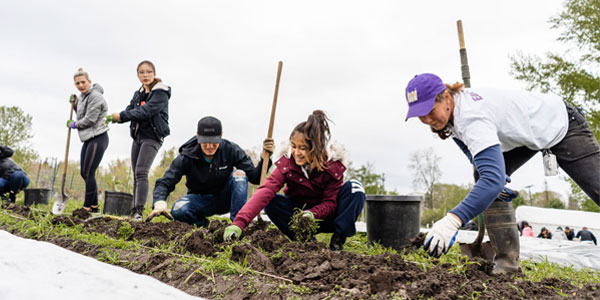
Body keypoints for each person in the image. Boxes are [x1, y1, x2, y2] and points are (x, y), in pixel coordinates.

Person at [403, 73, 600, 274]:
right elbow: (472, 153)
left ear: (445, 97)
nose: (427, 120)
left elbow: (491, 178)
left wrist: (452, 220)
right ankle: (507, 266)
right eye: (420, 115)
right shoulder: (450, 116)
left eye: (429, 111)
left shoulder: (472, 118)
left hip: (560, 124)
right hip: (525, 136)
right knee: (485, 177)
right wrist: (495, 180)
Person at [223, 110, 366, 251]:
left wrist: (312, 214)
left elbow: (330, 203)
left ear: (315, 148)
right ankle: (306, 241)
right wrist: (239, 222)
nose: (296, 153)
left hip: (326, 216)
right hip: (298, 218)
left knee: (355, 188)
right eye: (294, 146)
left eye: (302, 148)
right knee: (271, 202)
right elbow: (265, 190)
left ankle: (338, 241)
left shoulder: (333, 167)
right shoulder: (287, 165)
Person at [146, 116, 273, 226]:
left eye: (214, 142)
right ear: (197, 136)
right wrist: (160, 202)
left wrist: (264, 159)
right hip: (199, 201)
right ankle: (204, 225)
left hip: (225, 198)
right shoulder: (187, 156)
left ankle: (238, 224)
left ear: (221, 136)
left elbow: (255, 178)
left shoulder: (231, 150)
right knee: (179, 210)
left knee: (239, 175)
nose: (209, 146)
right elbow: (165, 182)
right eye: (205, 142)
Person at [107, 60, 170, 220]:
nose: (145, 75)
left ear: (154, 73)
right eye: (141, 72)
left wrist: (122, 116)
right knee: (136, 173)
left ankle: (138, 211)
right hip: (138, 136)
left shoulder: (161, 93)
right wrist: (117, 117)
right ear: (138, 75)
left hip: (153, 136)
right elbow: (131, 109)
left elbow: (146, 111)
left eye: (149, 72)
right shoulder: (138, 93)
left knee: (142, 171)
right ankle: (135, 209)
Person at [66, 68, 109, 212]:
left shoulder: (96, 96)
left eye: (83, 82)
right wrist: (76, 104)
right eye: (77, 83)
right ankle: (94, 206)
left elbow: (90, 119)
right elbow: (82, 114)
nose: (81, 85)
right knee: (84, 172)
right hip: (88, 138)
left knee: (89, 172)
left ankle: (86, 207)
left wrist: (75, 124)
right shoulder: (83, 96)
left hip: (98, 136)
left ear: (90, 82)